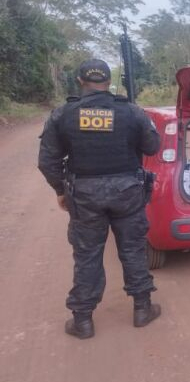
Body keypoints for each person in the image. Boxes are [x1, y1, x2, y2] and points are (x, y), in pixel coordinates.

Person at [38, 59, 162, 339]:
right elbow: (153, 146)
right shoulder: (131, 112)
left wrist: (60, 190)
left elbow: (47, 161)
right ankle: (142, 309)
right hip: (128, 192)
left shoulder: (63, 114)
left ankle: (82, 321)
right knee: (132, 249)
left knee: (87, 255)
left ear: (81, 82)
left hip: (84, 195)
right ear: (109, 82)